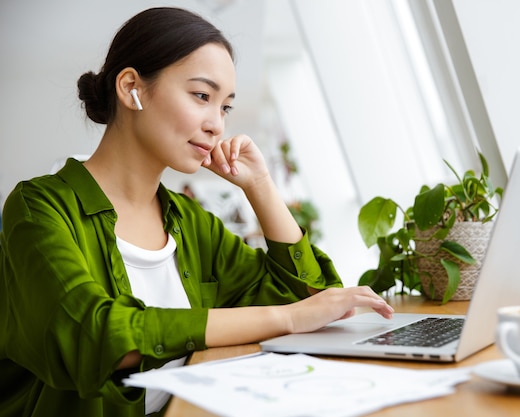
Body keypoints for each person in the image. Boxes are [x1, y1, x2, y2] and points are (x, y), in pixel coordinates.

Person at [0, 7, 393, 417]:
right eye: (202, 96)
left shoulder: (188, 221)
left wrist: (260, 187)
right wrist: (289, 317)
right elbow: (96, 337)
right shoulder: (37, 209)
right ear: (132, 87)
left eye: (225, 107)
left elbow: (311, 300)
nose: (216, 125)